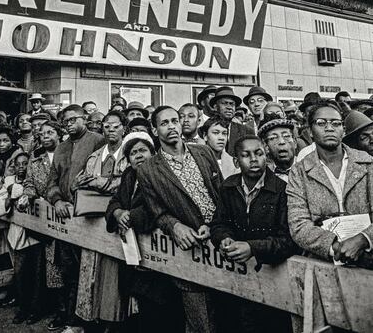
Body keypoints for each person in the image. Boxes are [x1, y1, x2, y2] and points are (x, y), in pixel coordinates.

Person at [137, 105, 222, 333]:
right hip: (190, 249)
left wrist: (217, 225)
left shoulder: (203, 152)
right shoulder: (148, 170)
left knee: (229, 313)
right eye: (164, 123)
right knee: (201, 321)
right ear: (155, 131)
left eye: (174, 120)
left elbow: (222, 194)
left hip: (220, 240)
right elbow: (156, 210)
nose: (172, 126)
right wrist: (174, 226)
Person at [210, 135, 296, 333]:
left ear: (266, 155)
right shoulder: (228, 187)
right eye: (246, 155)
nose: (254, 159)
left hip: (273, 284)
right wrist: (223, 239)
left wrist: (253, 247)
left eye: (258, 153)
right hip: (236, 280)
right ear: (236, 160)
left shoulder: (282, 190)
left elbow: (289, 240)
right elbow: (219, 223)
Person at [106, 133, 184, 333]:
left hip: (160, 254)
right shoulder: (129, 176)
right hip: (134, 253)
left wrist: (131, 216)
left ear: (153, 153)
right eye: (133, 153)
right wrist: (118, 212)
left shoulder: (162, 174)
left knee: (160, 308)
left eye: (143, 151)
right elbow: (115, 200)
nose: (138, 156)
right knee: (138, 305)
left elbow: (159, 206)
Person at [287, 100, 373, 265]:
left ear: (343, 130)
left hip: (369, 260)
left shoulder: (368, 163)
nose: (329, 127)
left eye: (336, 123)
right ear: (310, 132)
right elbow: (299, 224)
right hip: (323, 262)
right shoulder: (299, 172)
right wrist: (333, 246)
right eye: (321, 123)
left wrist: (363, 239)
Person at [46, 104, 105, 331]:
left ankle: (90, 321)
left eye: (73, 120)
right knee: (68, 271)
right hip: (65, 218)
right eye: (66, 121)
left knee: (90, 271)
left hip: (89, 217)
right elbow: (52, 181)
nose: (69, 124)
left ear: (84, 119)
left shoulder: (97, 141)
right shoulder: (61, 147)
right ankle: (71, 320)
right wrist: (57, 200)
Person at [74, 111, 127, 326]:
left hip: (118, 221)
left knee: (115, 273)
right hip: (93, 219)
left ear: (124, 128)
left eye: (115, 126)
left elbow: (125, 184)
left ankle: (116, 320)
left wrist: (97, 182)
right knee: (92, 271)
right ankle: (93, 318)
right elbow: (79, 183)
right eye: (106, 126)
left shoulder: (130, 153)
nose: (111, 130)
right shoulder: (95, 155)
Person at [19, 121, 65, 330]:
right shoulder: (35, 160)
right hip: (43, 222)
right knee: (45, 268)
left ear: (59, 134)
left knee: (63, 269)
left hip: (65, 219)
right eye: (43, 133)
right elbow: (29, 183)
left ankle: (64, 311)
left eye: (50, 132)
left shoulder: (67, 156)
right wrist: (27, 195)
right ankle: (47, 307)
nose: (46, 136)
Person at [0, 152, 41, 324]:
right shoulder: (8, 182)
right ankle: (23, 308)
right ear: (13, 166)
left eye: (25, 164)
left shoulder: (34, 181)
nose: (21, 168)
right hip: (18, 234)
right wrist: (9, 197)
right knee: (20, 274)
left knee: (37, 274)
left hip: (36, 235)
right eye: (18, 164)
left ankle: (35, 310)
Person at [210, 87, 253, 156]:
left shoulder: (247, 131)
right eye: (224, 103)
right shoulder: (206, 130)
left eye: (232, 104)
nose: (229, 107)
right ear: (215, 107)